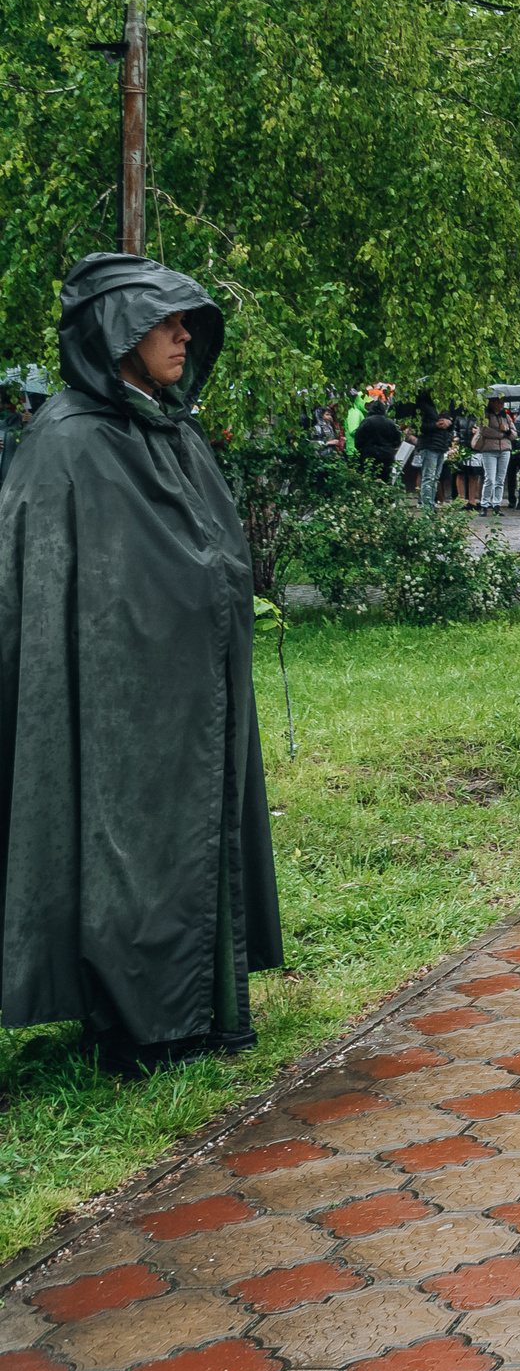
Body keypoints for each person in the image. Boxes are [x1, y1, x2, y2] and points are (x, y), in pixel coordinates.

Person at [0, 255, 283, 1070]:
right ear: (117, 330)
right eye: (167, 322)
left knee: (187, 837)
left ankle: (193, 1012)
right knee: (121, 845)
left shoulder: (172, 430)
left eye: (186, 321)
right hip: (111, 710)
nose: (184, 335)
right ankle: (131, 1025)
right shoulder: (67, 445)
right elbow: (50, 600)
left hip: (191, 699)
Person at [471, 398, 516, 516]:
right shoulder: (485, 416)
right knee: (489, 479)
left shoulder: (505, 417)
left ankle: (497, 504)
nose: (501, 405)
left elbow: (514, 433)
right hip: (489, 449)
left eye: (502, 403)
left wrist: (506, 430)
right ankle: (484, 504)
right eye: (499, 403)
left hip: (505, 450)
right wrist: (502, 433)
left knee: (500, 480)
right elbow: (485, 431)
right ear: (492, 403)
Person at [414, 391, 458, 510]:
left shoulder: (444, 407)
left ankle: (431, 504)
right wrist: (436, 425)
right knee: (428, 477)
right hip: (429, 444)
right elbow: (419, 426)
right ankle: (427, 507)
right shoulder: (424, 405)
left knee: (435, 478)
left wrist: (449, 422)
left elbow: (451, 425)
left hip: (441, 445)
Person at [351, 392, 403, 482]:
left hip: (369, 454)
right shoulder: (390, 422)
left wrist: (362, 449)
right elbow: (397, 439)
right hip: (387, 456)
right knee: (385, 480)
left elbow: (358, 439)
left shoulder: (366, 421)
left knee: (368, 479)